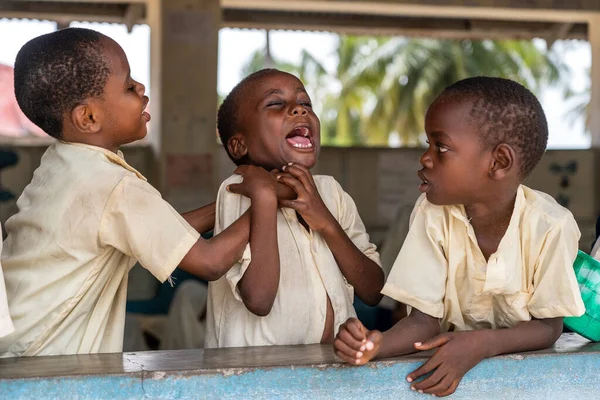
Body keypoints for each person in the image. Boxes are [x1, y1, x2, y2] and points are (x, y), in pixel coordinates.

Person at [0, 28, 274, 357]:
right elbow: (210, 261)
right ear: (88, 117)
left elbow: (164, 229)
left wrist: (229, 201)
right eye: (129, 86)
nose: (142, 88)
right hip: (41, 368)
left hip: (17, 352)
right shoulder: (112, 185)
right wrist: (265, 199)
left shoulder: (64, 165)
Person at [333, 77, 585, 397]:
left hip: (530, 386)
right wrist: (375, 344)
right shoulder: (432, 214)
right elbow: (424, 322)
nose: (425, 158)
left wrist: (481, 344)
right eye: (428, 144)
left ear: (498, 162)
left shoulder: (551, 226)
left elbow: (549, 327)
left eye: (441, 147)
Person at [205, 69, 385, 348]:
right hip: (256, 380)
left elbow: (373, 291)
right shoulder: (238, 192)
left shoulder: (331, 193)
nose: (299, 109)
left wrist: (325, 221)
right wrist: (265, 198)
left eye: (306, 103)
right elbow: (259, 299)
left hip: (331, 373)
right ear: (240, 145)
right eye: (275, 104)